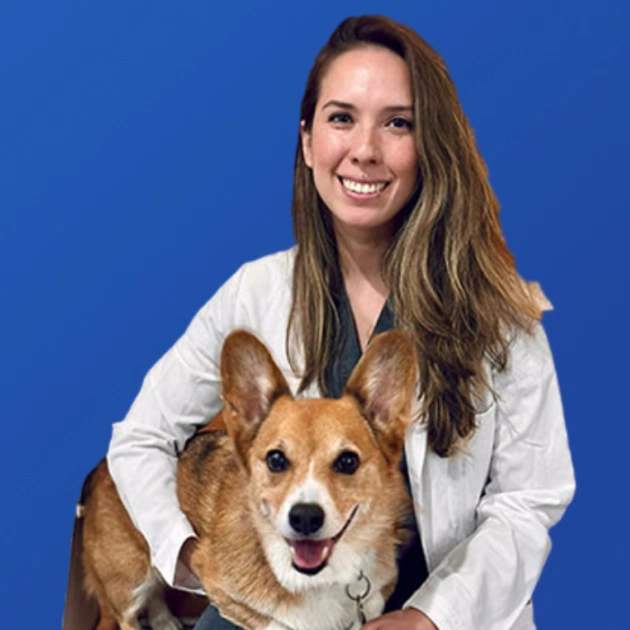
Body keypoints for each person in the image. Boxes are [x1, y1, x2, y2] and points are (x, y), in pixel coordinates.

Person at [107, 14, 575, 630]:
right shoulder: (256, 292)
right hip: (283, 613)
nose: (365, 150)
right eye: (341, 118)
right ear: (307, 142)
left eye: (398, 123)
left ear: (430, 146)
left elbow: (528, 501)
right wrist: (189, 557)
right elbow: (139, 438)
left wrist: (430, 617)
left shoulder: (499, 314)